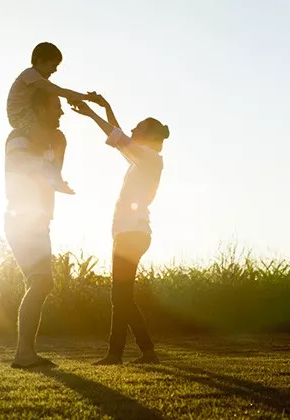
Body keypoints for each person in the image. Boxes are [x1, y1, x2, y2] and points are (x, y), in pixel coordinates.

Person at [71, 95, 170, 365]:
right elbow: (120, 139)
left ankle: (118, 353)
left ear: (148, 135)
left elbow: (119, 137)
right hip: (130, 233)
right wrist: (105, 108)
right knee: (122, 297)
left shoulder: (149, 158)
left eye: (138, 127)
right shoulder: (142, 159)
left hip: (132, 233)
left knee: (120, 297)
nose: (133, 130)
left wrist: (92, 114)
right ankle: (144, 351)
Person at [4, 89, 68, 369]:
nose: (62, 112)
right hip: (23, 217)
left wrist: (57, 155)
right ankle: (24, 354)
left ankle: (25, 353)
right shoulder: (19, 136)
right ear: (40, 109)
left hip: (38, 219)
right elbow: (21, 168)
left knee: (40, 282)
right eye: (57, 106)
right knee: (41, 281)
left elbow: (54, 174)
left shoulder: (54, 139)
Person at [7, 42, 92, 195]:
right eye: (53, 65)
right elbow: (58, 90)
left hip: (28, 115)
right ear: (40, 61)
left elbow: (57, 92)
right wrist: (87, 97)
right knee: (46, 140)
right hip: (21, 115)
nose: (55, 70)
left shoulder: (37, 79)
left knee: (57, 138)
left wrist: (73, 98)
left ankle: (55, 175)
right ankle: (49, 175)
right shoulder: (30, 75)